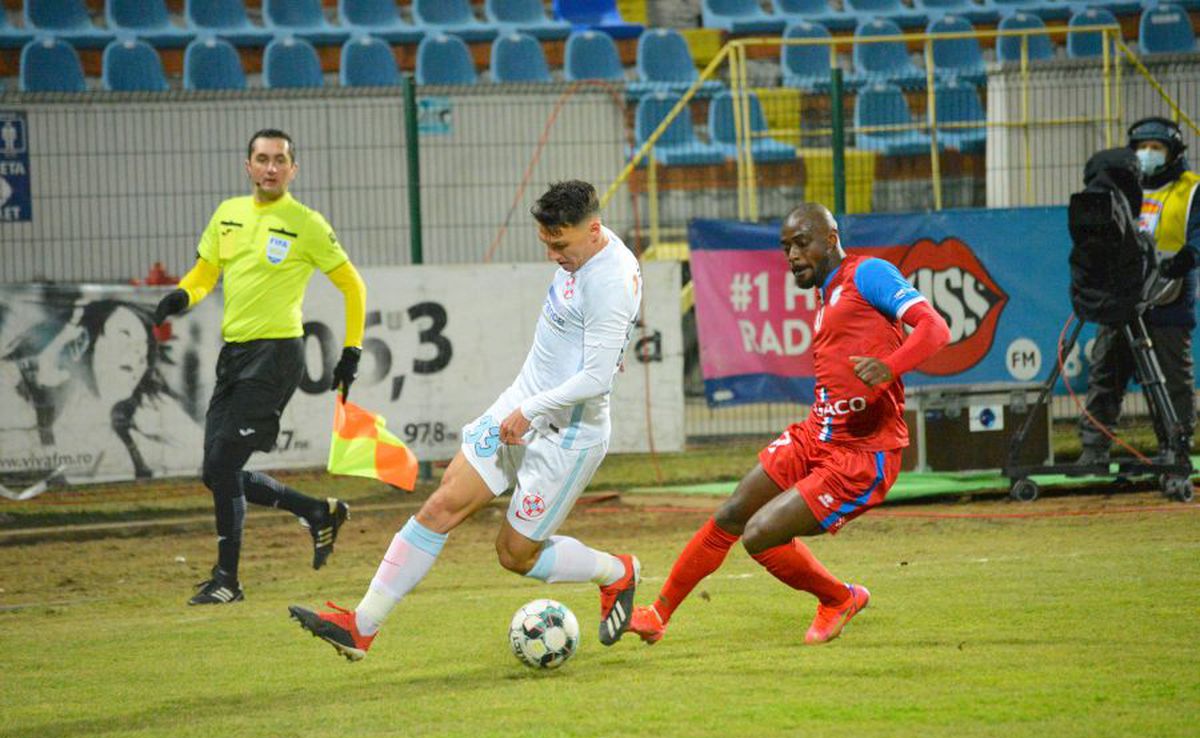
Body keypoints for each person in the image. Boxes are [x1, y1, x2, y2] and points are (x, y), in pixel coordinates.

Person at [288, 179, 643, 660]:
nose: (553, 256)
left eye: (560, 245)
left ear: (594, 230)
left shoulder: (611, 281)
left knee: (515, 556)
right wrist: (524, 404)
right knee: (440, 507)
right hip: (521, 405)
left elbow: (598, 379)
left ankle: (616, 572)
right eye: (546, 244)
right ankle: (361, 627)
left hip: (568, 435)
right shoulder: (582, 251)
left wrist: (531, 410)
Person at [628, 203, 950, 646]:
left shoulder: (868, 274)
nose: (793, 255)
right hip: (816, 434)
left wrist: (889, 368)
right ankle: (656, 614)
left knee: (760, 535)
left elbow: (935, 329)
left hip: (862, 455)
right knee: (732, 513)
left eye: (802, 243)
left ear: (832, 239)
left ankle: (839, 598)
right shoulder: (826, 295)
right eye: (786, 248)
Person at [154, 128, 367, 605]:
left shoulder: (306, 223)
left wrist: (350, 351)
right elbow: (206, 274)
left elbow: (352, 285)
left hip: (277, 356)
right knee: (216, 472)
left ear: (294, 169)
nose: (271, 167)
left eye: (280, 160)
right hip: (234, 356)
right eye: (262, 158)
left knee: (224, 464)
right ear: (247, 166)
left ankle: (227, 580)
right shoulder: (227, 215)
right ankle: (315, 511)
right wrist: (181, 296)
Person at [1078, 117, 1198, 465]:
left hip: (1168, 294)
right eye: (1142, 147)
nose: (1147, 154)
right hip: (1121, 294)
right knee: (1106, 372)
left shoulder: (1191, 189)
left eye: (1156, 148)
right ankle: (1093, 450)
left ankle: (1175, 446)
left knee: (1171, 379)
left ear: (1172, 152)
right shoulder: (1118, 185)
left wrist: (1185, 259)